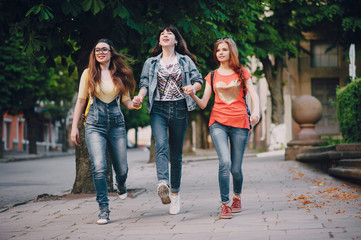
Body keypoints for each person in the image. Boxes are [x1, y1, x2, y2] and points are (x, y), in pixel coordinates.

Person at [183, 37, 260, 219]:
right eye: (218, 50)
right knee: (224, 162)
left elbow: (254, 94)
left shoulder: (242, 72)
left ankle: (237, 197)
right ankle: (225, 204)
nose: (221, 53)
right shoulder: (212, 75)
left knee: (236, 169)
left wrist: (256, 112)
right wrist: (193, 94)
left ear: (231, 51)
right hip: (218, 122)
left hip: (240, 123)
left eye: (224, 49)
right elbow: (203, 104)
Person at [133, 25, 203, 215]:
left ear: (176, 41)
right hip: (159, 108)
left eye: (169, 33)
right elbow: (145, 83)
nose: (165, 35)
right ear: (159, 41)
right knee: (161, 146)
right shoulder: (151, 62)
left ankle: (175, 194)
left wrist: (193, 88)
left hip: (180, 107)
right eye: (162, 33)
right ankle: (163, 182)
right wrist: (140, 97)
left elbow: (198, 80)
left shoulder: (185, 60)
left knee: (176, 155)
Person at [70, 39, 141, 225]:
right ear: (94, 54)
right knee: (99, 167)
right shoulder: (88, 74)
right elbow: (81, 101)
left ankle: (121, 184)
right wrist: (74, 127)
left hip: (117, 124)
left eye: (104, 49)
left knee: (122, 169)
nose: (100, 52)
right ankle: (103, 209)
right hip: (94, 125)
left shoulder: (120, 74)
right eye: (97, 50)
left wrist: (134, 103)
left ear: (111, 52)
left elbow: (126, 101)